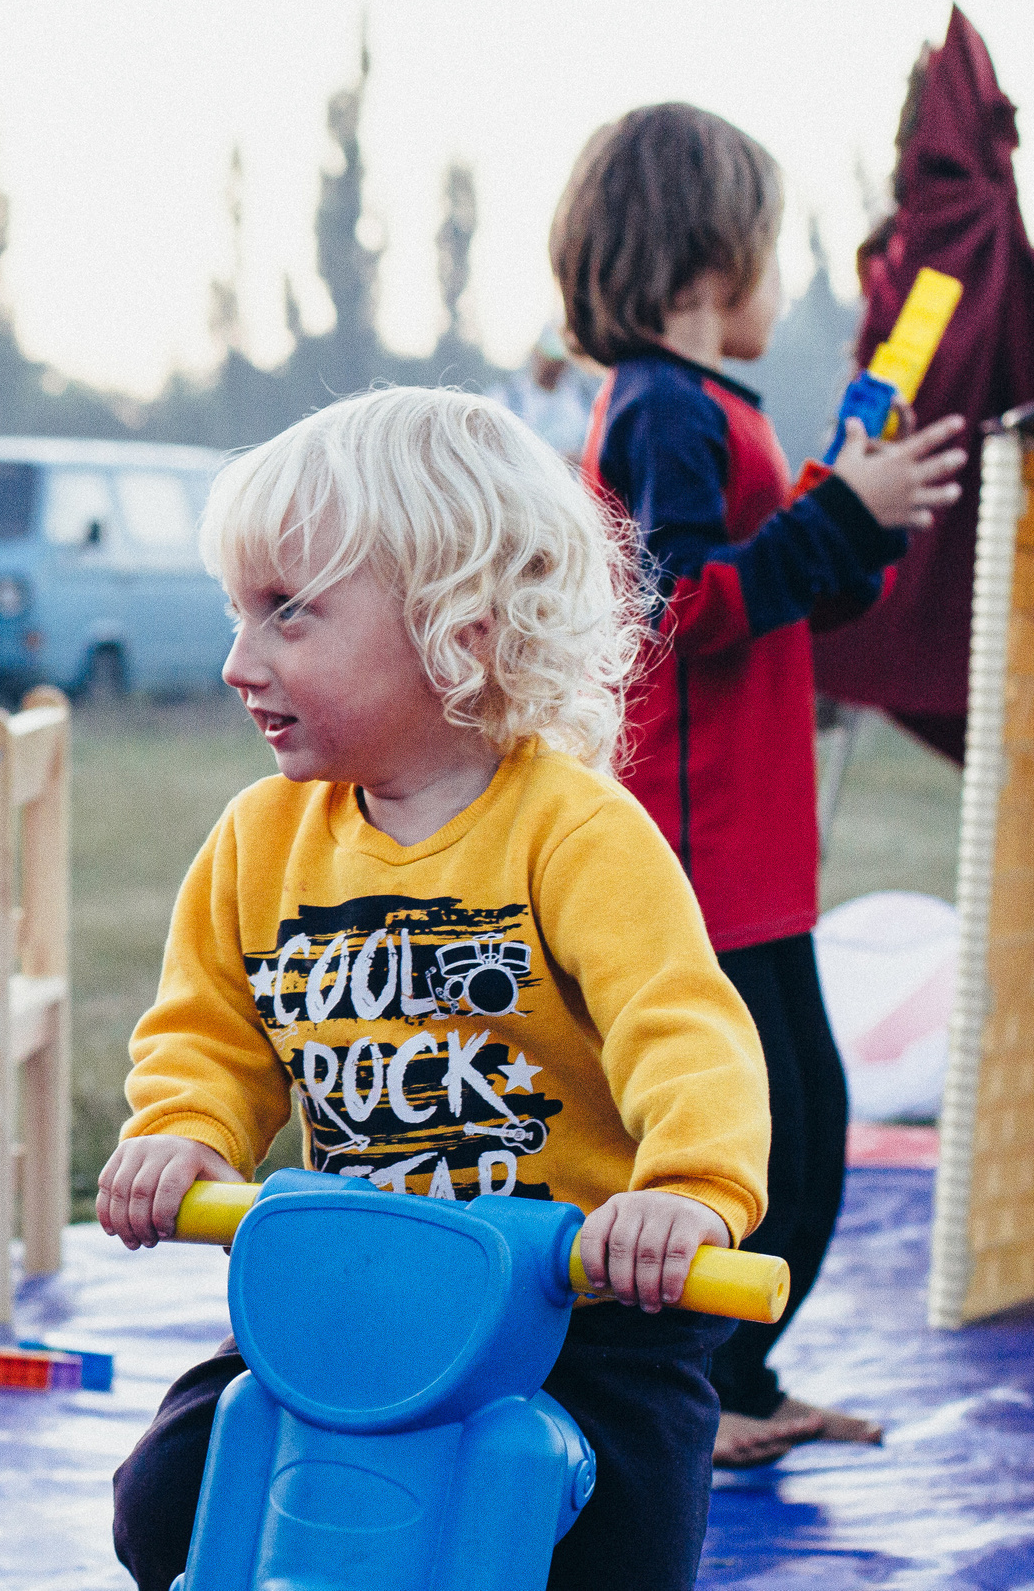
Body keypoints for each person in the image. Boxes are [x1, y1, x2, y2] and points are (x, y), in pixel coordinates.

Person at [97, 388, 773, 1591]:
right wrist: (184, 1135)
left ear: (459, 627)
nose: (237, 661)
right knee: (169, 1503)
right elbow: (208, 1034)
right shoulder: (259, 842)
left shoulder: (573, 835)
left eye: (288, 614)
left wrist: (684, 1195)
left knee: (609, 1544)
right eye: (237, 614)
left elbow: (683, 1029)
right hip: (357, 1289)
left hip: (582, 1310)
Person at [552, 104, 966, 1467]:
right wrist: (836, 515)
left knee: (809, 1122)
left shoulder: (707, 404)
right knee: (764, 1127)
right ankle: (700, 1384)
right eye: (773, 249)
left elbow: (783, 585)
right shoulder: (663, 406)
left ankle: (737, 1376)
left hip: (756, 843)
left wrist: (859, 525)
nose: (779, 279)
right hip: (697, 843)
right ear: (713, 256)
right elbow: (676, 599)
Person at [486, 323, 601, 463]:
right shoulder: (503, 398)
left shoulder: (583, 399)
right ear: (535, 352)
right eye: (549, 356)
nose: (553, 365)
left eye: (560, 360)